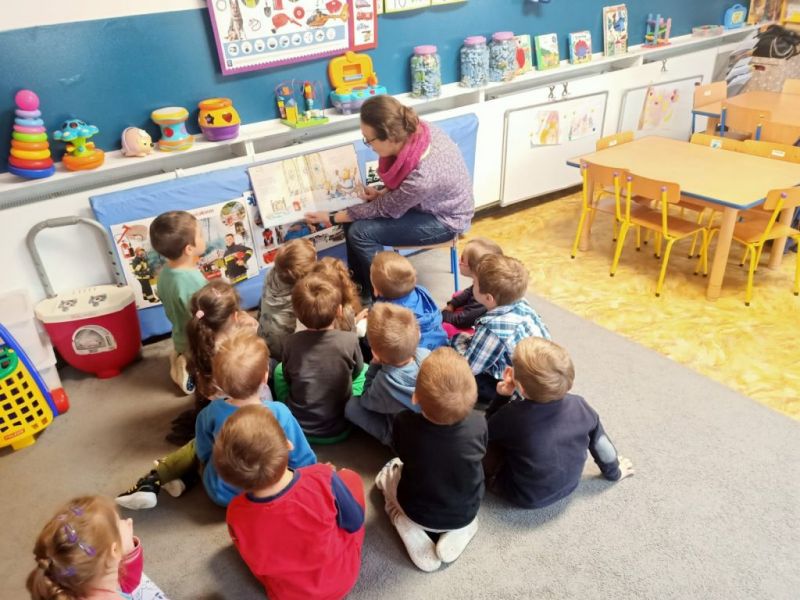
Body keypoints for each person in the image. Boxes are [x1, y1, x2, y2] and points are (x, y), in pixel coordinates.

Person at [115, 330, 315, 510]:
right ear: (265, 377)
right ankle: (181, 479)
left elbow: (203, 453)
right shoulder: (279, 412)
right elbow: (303, 457)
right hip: (271, 485)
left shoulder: (209, 413)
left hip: (222, 493)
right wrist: (310, 478)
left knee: (196, 448)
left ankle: (169, 477)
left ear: (218, 381)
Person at [305, 95, 474, 302]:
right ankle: (362, 288)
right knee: (356, 213)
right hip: (428, 201)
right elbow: (403, 182)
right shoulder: (416, 128)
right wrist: (383, 193)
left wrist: (331, 217)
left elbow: (389, 205)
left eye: (369, 139)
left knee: (360, 232)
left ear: (390, 137)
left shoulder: (423, 177)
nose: (369, 144)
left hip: (445, 220)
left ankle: (385, 297)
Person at [214, 405, 365, 600]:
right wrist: (326, 477)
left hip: (287, 594)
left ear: (231, 479)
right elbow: (355, 522)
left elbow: (250, 557)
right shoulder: (322, 476)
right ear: (288, 444)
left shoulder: (235, 511)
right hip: (341, 579)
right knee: (350, 478)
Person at [485, 337, 634, 508]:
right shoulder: (581, 405)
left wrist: (502, 397)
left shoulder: (512, 415)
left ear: (521, 388)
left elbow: (484, 432)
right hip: (570, 486)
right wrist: (615, 472)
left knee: (476, 437)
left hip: (523, 496)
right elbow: (601, 444)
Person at [375, 347, 487, 572]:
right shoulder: (479, 422)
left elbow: (401, 453)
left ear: (415, 397)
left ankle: (401, 519)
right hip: (466, 509)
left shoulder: (404, 422)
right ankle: (462, 528)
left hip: (415, 510)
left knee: (387, 473)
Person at [451, 254, 551, 406]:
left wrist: (458, 340)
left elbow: (469, 368)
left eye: (474, 283)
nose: (472, 286)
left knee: (456, 369)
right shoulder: (521, 303)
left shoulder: (492, 328)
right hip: (540, 374)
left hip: (515, 390)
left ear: (489, 298)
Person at [167, 279, 257, 445]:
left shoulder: (200, 339)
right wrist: (253, 327)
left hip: (210, 396)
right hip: (237, 399)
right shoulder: (235, 347)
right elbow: (254, 363)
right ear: (235, 316)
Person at [27, 495, 166, 600]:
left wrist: (129, 549)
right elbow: (130, 583)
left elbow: (129, 581)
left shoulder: (76, 583)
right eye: (120, 521)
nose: (128, 521)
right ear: (114, 550)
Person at [278, 273, 364, 441]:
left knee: (278, 371)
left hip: (300, 427)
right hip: (341, 427)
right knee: (366, 370)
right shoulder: (350, 340)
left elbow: (288, 377)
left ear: (297, 314)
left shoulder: (289, 342)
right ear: (339, 311)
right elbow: (357, 371)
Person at [345, 303, 430, 447]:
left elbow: (366, 400)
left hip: (405, 439)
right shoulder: (427, 355)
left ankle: (390, 439)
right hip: (428, 428)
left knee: (352, 406)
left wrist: (374, 365)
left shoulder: (384, 381)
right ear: (419, 335)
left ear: (375, 353)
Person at [149, 210, 207, 395]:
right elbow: (205, 314)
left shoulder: (166, 272)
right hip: (197, 339)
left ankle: (179, 354)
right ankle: (187, 368)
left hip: (179, 333)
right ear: (189, 249)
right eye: (200, 234)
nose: (204, 237)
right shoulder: (191, 280)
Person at [370, 251, 447, 350]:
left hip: (413, 354)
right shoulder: (422, 291)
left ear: (376, 290)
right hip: (441, 344)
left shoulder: (385, 311)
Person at [257, 238, 317, 362]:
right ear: (304, 278)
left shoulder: (271, 273)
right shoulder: (302, 296)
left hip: (263, 338)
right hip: (284, 353)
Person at [441, 237, 504, 338]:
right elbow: (469, 291)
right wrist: (453, 304)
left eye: (462, 258)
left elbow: (463, 321)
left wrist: (443, 314)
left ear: (475, 268)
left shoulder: (483, 296)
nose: (459, 260)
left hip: (473, 324)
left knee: (445, 327)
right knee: (459, 295)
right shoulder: (482, 281)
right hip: (472, 313)